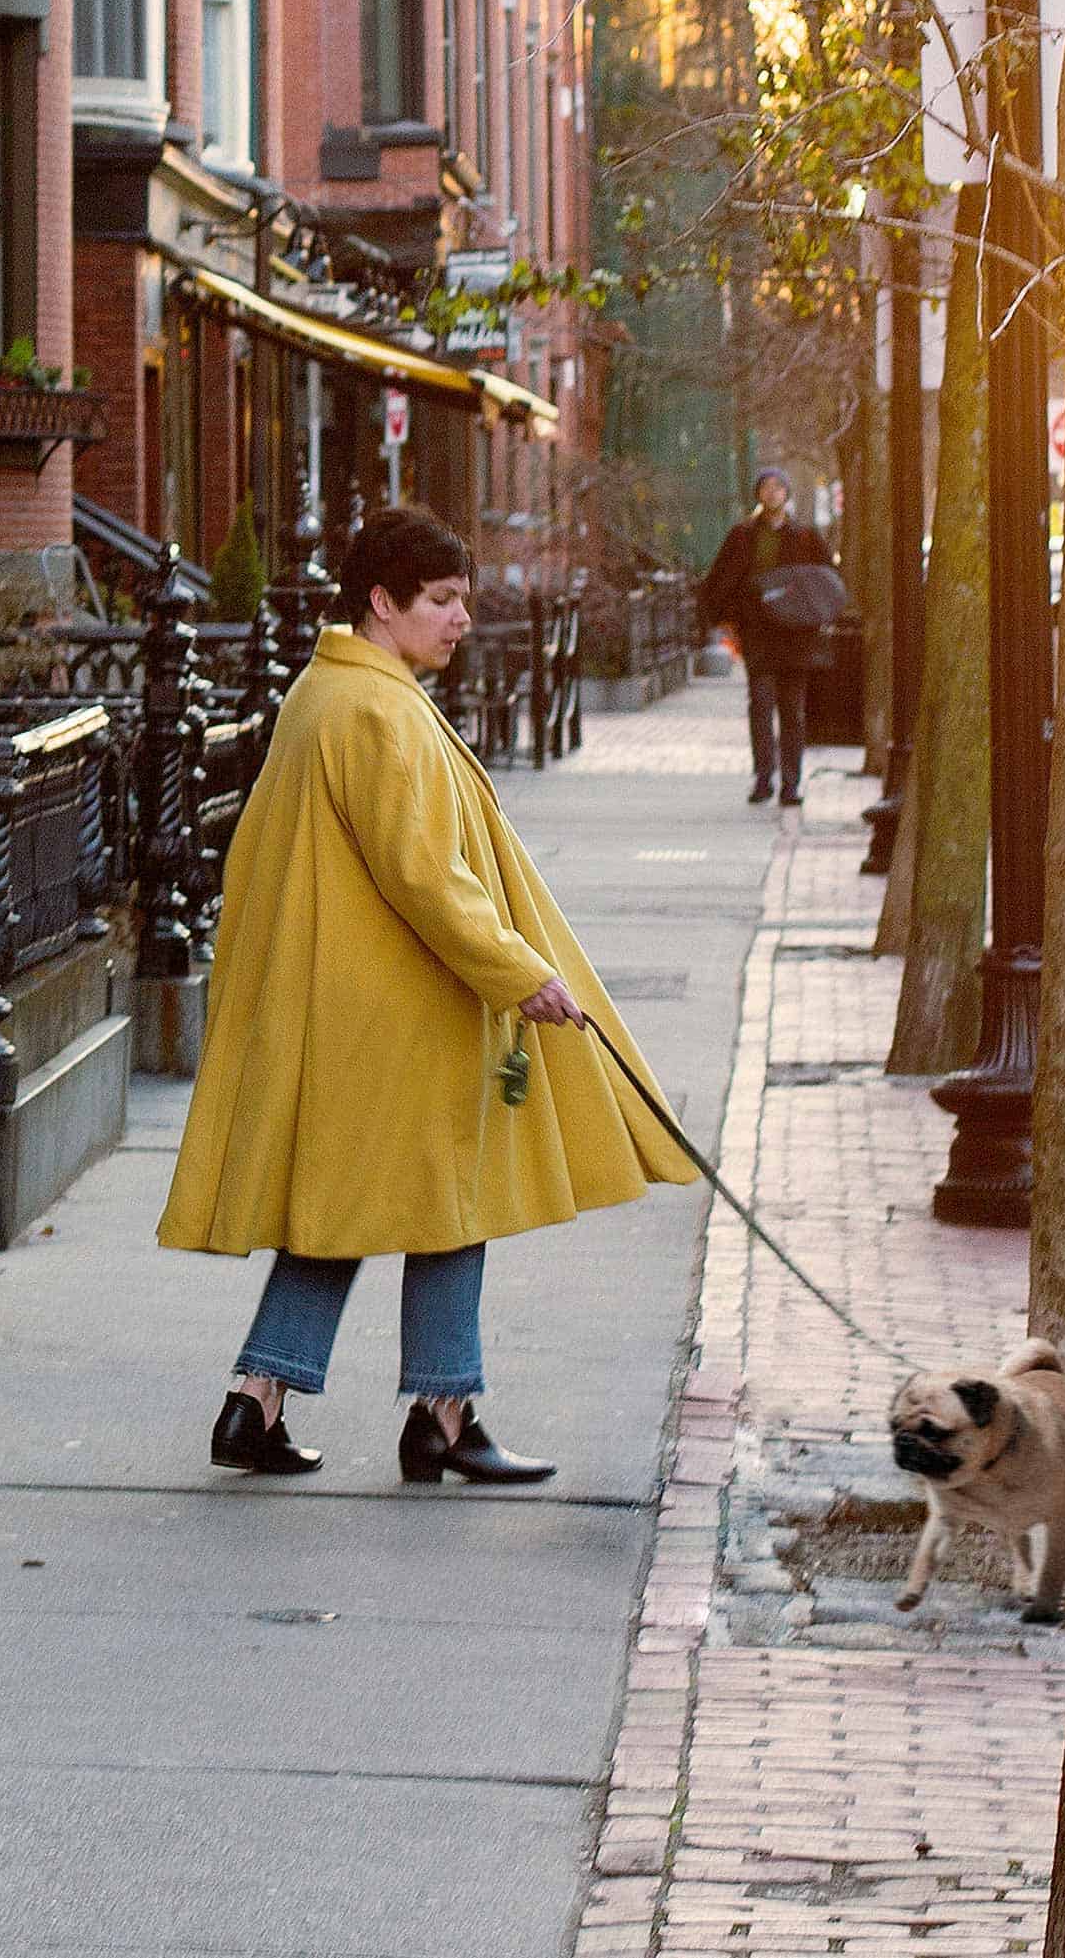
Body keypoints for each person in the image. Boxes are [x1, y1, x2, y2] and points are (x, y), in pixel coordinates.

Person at [161, 503, 696, 1482]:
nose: (459, 618)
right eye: (442, 600)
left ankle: (258, 1400)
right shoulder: (374, 708)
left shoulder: (335, 691)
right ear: (382, 600)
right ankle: (441, 1417)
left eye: (462, 599)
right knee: (453, 1200)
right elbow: (423, 874)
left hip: (356, 1009)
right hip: (398, 1011)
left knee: (346, 1207)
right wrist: (519, 971)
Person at [701, 469, 835, 805]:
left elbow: (826, 581)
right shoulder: (743, 535)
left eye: (778, 487)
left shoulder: (805, 536)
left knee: (792, 710)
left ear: (787, 493)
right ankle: (764, 778)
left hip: (795, 635)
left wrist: (817, 617)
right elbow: (722, 578)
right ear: (758, 494)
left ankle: (791, 783)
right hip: (759, 633)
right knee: (760, 704)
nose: (772, 493)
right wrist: (726, 617)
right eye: (766, 487)